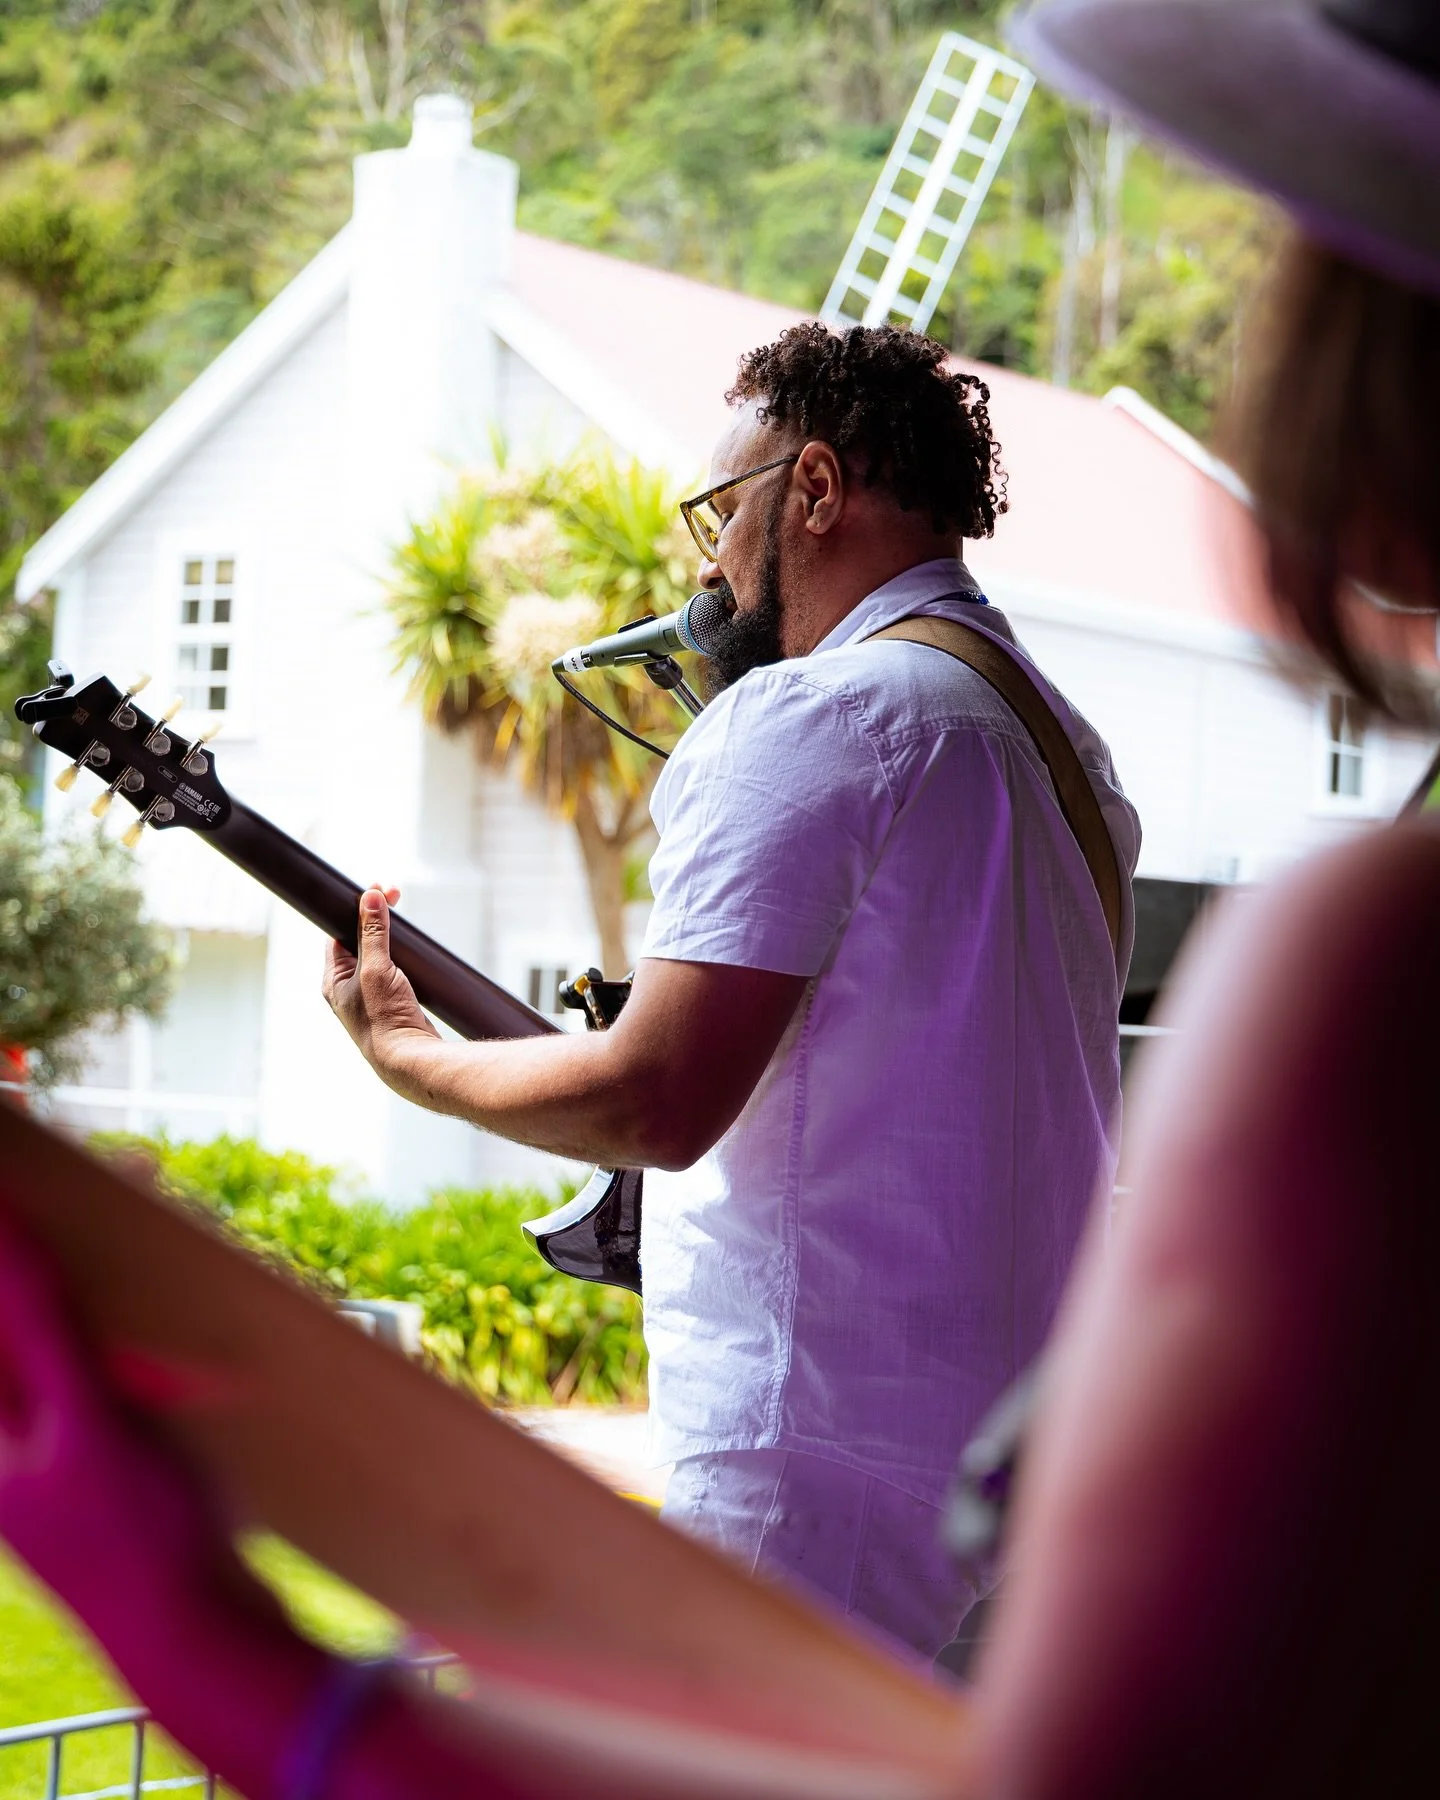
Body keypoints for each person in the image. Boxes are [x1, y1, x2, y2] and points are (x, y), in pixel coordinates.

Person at [319, 322, 1140, 1660]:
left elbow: (657, 1098)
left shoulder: (818, 718)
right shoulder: (1062, 756)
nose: (705, 559)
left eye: (720, 509)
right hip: (1016, 1481)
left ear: (811, 491)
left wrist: (408, 1057)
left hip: (808, 1473)